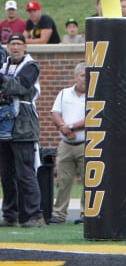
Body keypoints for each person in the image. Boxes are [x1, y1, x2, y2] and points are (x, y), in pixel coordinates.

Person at [0, 33, 44, 228]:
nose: (15, 47)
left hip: (23, 126)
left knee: (25, 172)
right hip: (4, 125)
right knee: (6, 173)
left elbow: (18, 87)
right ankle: (10, 214)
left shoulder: (31, 66)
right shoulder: (4, 64)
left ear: (25, 46)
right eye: (12, 44)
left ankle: (35, 215)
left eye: (19, 44)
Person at [48, 62, 86, 224]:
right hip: (65, 145)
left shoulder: (95, 95)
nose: (86, 79)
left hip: (86, 144)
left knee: (88, 182)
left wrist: (69, 127)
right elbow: (55, 112)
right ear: (76, 77)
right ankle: (59, 214)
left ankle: (87, 214)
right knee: (63, 181)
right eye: (83, 76)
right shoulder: (64, 93)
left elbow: (92, 118)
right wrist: (63, 128)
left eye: (88, 76)